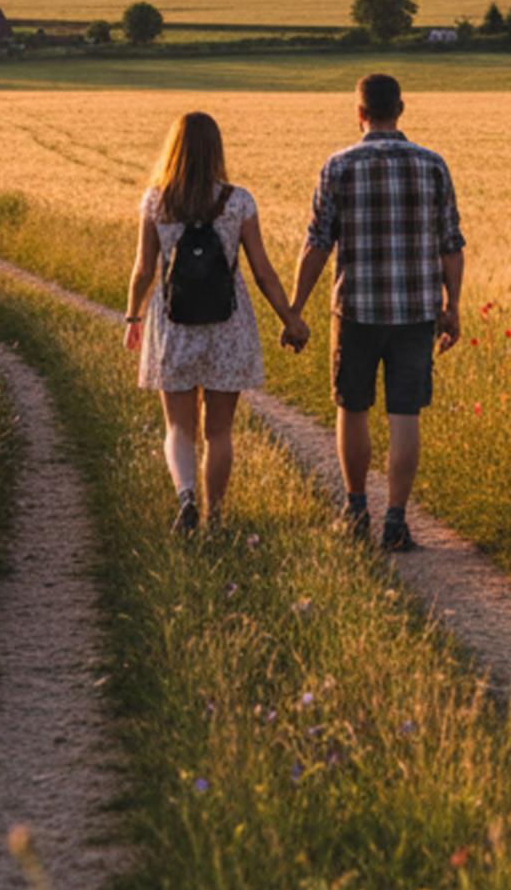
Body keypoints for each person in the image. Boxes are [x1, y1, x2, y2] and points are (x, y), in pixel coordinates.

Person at [290, 73, 465, 551]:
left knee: (352, 407)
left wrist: (295, 309)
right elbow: (451, 244)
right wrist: (454, 307)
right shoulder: (432, 166)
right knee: (405, 413)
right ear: (401, 109)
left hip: (355, 310)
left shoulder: (338, 166)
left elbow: (317, 245)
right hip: (415, 311)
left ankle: (355, 509)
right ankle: (396, 520)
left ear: (359, 112)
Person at [124, 111, 310, 534]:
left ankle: (186, 496)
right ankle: (215, 517)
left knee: (178, 425)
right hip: (228, 325)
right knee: (219, 431)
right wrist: (291, 319)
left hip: (174, 324)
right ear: (216, 151)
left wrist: (133, 317)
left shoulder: (156, 201)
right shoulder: (239, 201)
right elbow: (263, 271)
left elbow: (143, 270)